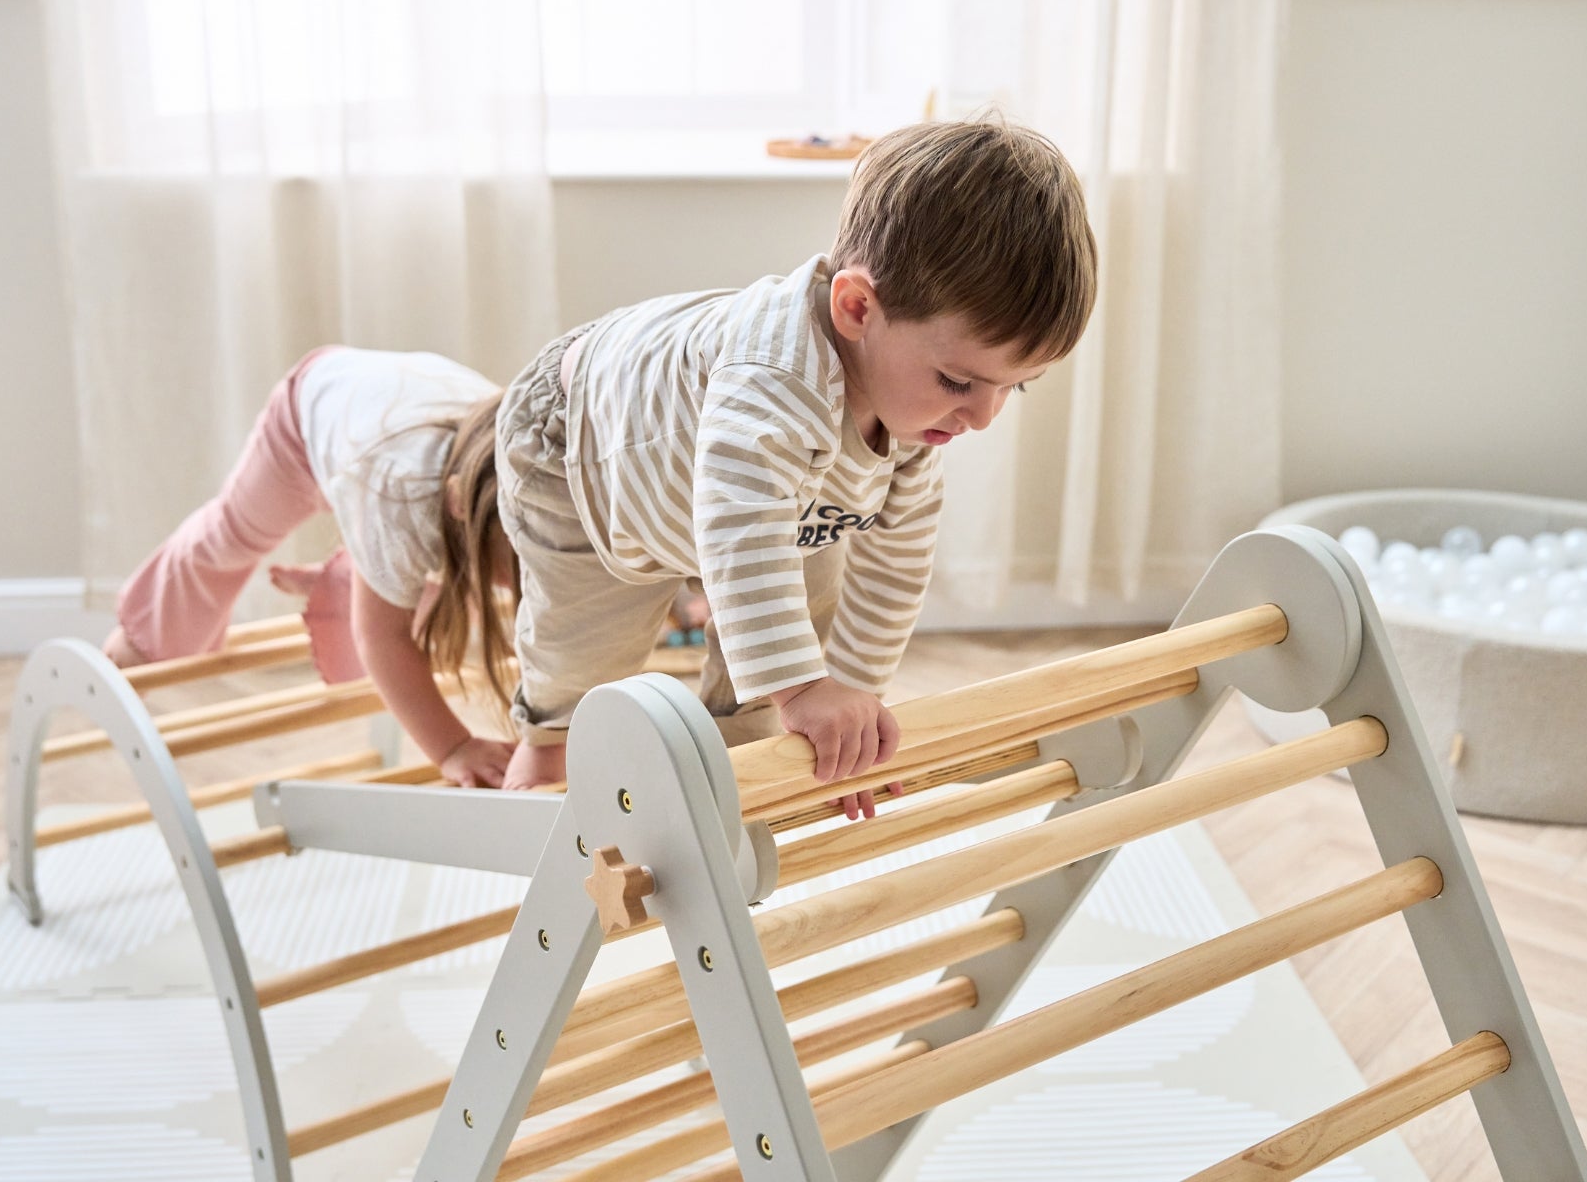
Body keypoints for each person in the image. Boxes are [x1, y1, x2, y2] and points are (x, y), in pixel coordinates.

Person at [492, 116, 1099, 817]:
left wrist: (851, 698)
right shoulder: (776, 381)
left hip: (723, 483)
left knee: (811, 596)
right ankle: (543, 751)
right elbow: (742, 535)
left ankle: (741, 749)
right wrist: (804, 691)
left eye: (1012, 386)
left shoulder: (910, 408)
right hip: (580, 444)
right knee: (588, 642)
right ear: (855, 308)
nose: (982, 417)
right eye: (960, 383)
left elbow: (897, 562)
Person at [102, 348, 522, 788]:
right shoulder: (400, 491)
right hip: (304, 424)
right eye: (516, 564)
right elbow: (382, 638)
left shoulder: (532, 473)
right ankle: (141, 636)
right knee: (232, 538)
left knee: (431, 575)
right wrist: (453, 747)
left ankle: (345, 577)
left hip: (391, 426)